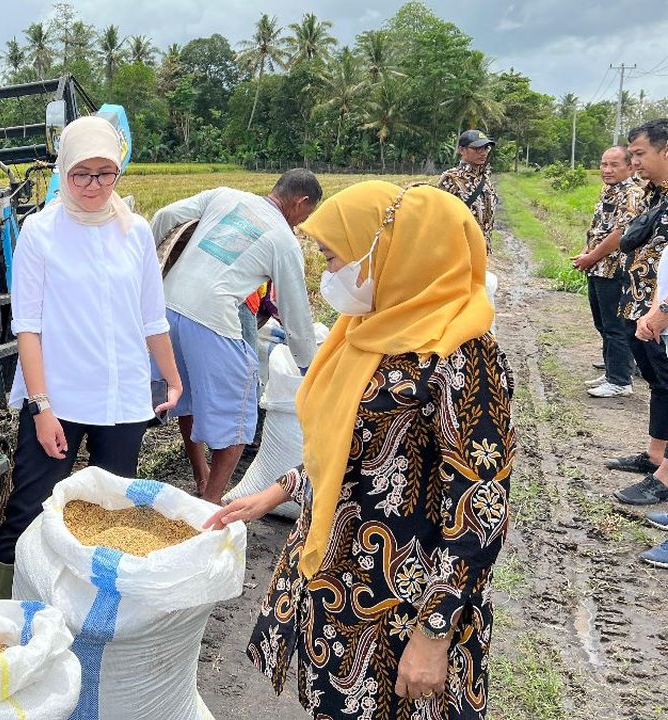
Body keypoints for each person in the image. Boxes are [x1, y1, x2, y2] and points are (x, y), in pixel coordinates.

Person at [207, 181, 513, 719]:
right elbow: (353, 447)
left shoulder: (461, 356)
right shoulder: (365, 330)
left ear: (390, 250)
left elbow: (480, 511)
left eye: (334, 258)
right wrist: (274, 492)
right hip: (340, 575)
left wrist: (434, 635)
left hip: (407, 600)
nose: (328, 275)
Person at [0, 116, 182, 600]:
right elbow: (27, 327)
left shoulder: (134, 232)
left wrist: (172, 380)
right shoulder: (41, 230)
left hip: (122, 397)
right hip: (59, 398)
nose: (93, 185)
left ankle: (95, 612)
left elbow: (152, 317)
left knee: (113, 510)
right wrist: (41, 406)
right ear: (63, 171)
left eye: (105, 173)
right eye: (81, 174)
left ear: (118, 171)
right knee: (30, 506)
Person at [149, 171, 321, 504]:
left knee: (187, 396)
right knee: (238, 420)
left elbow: (164, 216)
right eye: (307, 215)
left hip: (166, 310)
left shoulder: (225, 195)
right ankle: (210, 507)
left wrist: (148, 269)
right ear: (300, 203)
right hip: (212, 321)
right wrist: (308, 369)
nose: (301, 224)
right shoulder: (283, 241)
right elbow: (297, 315)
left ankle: (201, 479)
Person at [607, 119, 668, 507]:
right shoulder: (657, 194)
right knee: (660, 383)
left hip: (660, 310)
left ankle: (663, 476)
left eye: (641, 154)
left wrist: (662, 310)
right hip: (643, 303)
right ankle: (655, 454)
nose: (635, 162)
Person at [574, 146, 644, 398]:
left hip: (615, 269)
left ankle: (620, 380)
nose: (607, 170)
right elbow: (598, 227)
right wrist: (586, 253)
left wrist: (591, 256)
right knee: (602, 323)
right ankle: (613, 370)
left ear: (629, 166)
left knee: (616, 326)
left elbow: (619, 235)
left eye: (614, 165)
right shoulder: (609, 190)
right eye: (604, 164)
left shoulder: (632, 194)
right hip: (598, 268)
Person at [437, 129, 498, 254]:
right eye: (477, 149)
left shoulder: (485, 179)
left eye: (486, 148)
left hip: (482, 249)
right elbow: (440, 217)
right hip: (458, 250)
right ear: (462, 150)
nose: (483, 153)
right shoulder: (451, 178)